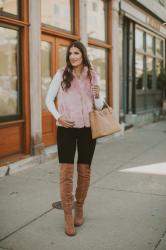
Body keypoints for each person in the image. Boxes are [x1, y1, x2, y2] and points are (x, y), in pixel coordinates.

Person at [46, 41, 103, 236]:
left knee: (84, 172)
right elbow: (48, 100)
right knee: (66, 173)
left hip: (88, 129)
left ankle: (79, 207)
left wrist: (98, 95)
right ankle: (68, 216)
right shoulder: (61, 74)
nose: (73, 56)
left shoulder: (93, 75)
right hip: (66, 129)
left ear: (83, 55)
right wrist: (59, 117)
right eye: (70, 53)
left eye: (76, 53)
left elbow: (99, 105)